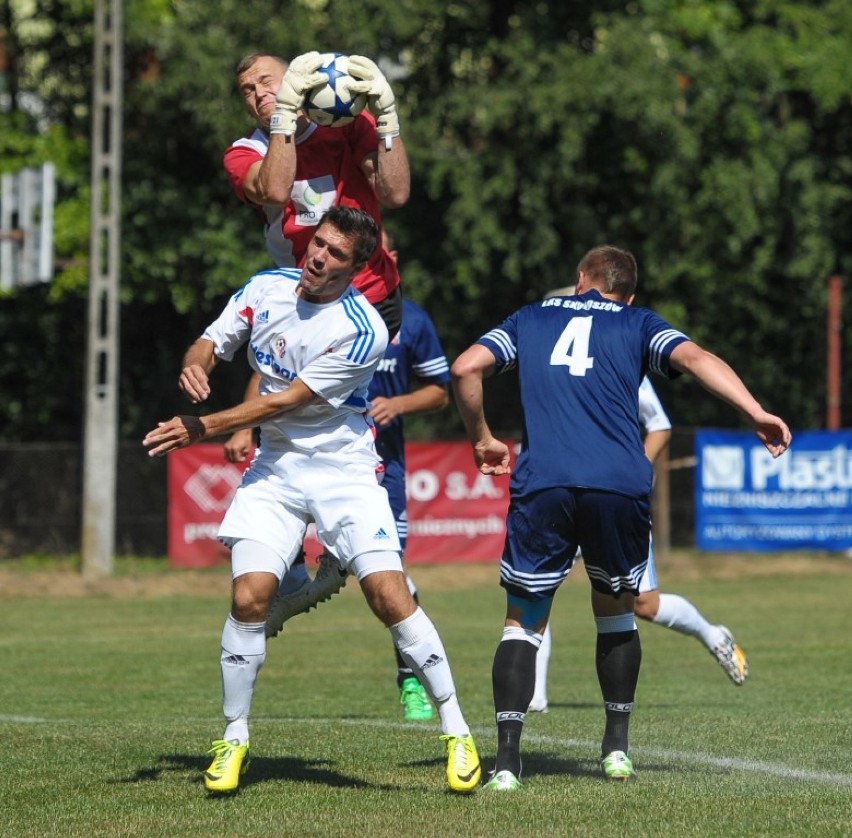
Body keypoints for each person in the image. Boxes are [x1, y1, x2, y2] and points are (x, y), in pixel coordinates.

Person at [143, 207, 480, 795]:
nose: (318, 258)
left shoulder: (364, 329)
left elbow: (285, 402)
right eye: (317, 244)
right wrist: (195, 365)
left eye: (333, 255)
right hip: (275, 469)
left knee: (388, 595)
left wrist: (205, 425)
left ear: (356, 269)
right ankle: (234, 736)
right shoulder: (265, 286)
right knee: (249, 597)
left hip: (342, 471)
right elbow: (211, 341)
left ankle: (456, 729)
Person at [450, 245, 791, 791]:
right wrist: (755, 412)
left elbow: (466, 366)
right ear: (628, 293)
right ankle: (615, 751)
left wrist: (482, 438)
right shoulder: (637, 323)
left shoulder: (531, 317)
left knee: (523, 621)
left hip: (546, 484)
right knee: (617, 614)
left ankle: (508, 764)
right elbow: (697, 359)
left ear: (579, 279)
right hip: (617, 485)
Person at [221, 49, 411, 612]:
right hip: (302, 307)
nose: (257, 94)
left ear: (299, 80)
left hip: (371, 300)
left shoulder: (347, 125)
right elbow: (276, 190)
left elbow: (396, 194)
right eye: (247, 90)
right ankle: (313, 560)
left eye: (267, 82)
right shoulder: (245, 151)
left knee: (337, 428)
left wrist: (389, 119)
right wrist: (283, 116)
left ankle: (348, 549)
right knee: (295, 429)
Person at [529, 288, 749, 714]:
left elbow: (660, 424)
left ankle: (712, 634)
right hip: (556, 488)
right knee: (538, 588)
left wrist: (633, 469)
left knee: (643, 604)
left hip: (610, 495)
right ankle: (534, 693)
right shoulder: (542, 356)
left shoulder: (618, 356)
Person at [264, 229, 451, 723]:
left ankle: (410, 680)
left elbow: (441, 391)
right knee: (266, 553)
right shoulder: (305, 305)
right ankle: (294, 597)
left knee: (393, 581)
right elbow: (273, 366)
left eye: (384, 253)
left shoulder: (411, 323)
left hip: (379, 472)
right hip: (300, 459)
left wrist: (400, 402)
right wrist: (245, 423)